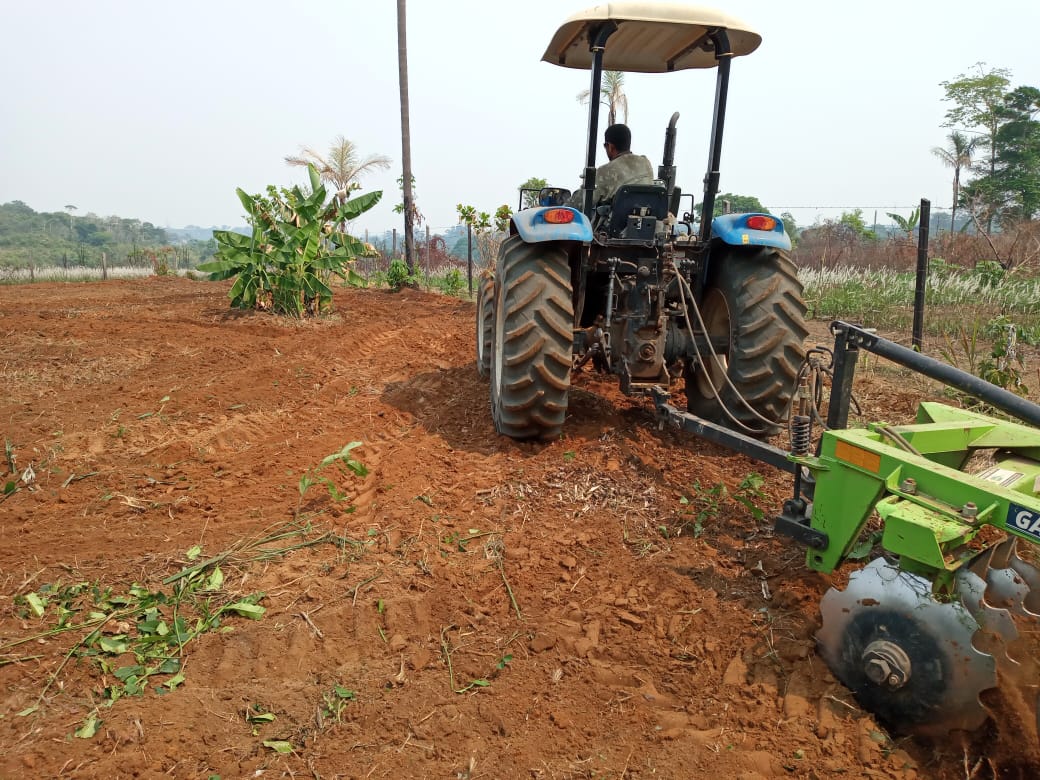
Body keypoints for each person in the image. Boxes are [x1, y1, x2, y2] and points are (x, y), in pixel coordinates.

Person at [567, 124, 654, 210]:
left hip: (616, 223)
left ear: (610, 147)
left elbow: (578, 203)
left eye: (605, 146)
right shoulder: (645, 163)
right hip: (647, 219)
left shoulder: (604, 172)